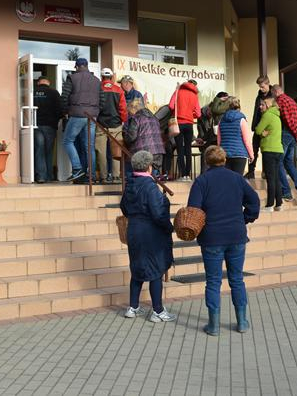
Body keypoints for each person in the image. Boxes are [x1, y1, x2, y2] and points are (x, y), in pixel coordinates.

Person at [187, 146, 260, 335]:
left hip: (211, 237)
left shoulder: (202, 181)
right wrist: (245, 218)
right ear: (225, 160)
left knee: (213, 281)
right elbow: (254, 201)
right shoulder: (237, 178)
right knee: (237, 279)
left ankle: (214, 326)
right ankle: (242, 322)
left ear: (206, 161)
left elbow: (193, 210)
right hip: (236, 235)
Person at [120, 150, 176, 323]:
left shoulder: (130, 183)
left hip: (134, 230)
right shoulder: (150, 186)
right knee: (155, 270)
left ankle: (133, 307)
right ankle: (158, 311)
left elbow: (123, 207)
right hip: (150, 232)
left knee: (137, 268)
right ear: (149, 167)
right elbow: (158, 213)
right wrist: (169, 227)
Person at [60, 58, 100, 182]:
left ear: (77, 67)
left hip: (77, 114)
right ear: (87, 66)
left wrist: (65, 111)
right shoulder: (96, 80)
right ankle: (91, 175)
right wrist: (96, 111)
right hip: (92, 116)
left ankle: (77, 169)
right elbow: (102, 99)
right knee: (90, 146)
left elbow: (64, 97)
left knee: (67, 141)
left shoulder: (72, 78)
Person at [271, 84, 297, 204]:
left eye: (272, 94)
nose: (273, 96)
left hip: (287, 133)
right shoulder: (291, 100)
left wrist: (295, 133)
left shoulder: (281, 101)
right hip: (293, 134)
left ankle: (286, 192)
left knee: (278, 162)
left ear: (275, 92)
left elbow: (288, 120)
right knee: (288, 162)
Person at [96, 68, 127, 183]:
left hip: (100, 124)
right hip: (116, 124)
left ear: (102, 77)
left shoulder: (97, 89)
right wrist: (123, 120)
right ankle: (115, 176)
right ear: (112, 77)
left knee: (101, 152)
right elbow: (123, 108)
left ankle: (103, 177)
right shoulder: (118, 90)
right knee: (116, 151)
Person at [254, 96, 284, 211]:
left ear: (268, 105)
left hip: (269, 150)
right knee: (276, 178)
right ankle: (279, 203)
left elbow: (257, 130)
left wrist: (261, 133)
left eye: (262, 104)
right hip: (278, 150)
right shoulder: (276, 115)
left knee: (270, 178)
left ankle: (269, 205)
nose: (260, 107)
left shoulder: (267, 115)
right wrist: (263, 133)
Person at [169, 79, 201, 181]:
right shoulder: (194, 95)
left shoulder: (178, 91)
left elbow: (171, 106)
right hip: (189, 125)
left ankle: (182, 175)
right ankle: (188, 175)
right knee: (188, 149)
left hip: (179, 124)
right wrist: (190, 115)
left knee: (180, 149)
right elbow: (198, 114)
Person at [123, 98, 164, 176]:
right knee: (153, 177)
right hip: (158, 152)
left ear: (134, 108)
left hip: (143, 153)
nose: (129, 114)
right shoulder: (154, 118)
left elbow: (131, 137)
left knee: (129, 168)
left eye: (129, 111)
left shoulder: (136, 118)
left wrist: (125, 133)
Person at [33, 76, 62, 183]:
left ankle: (41, 176)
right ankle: (49, 176)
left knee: (39, 150)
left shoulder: (32, 92)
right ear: (48, 82)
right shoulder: (54, 92)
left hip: (36, 125)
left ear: (38, 83)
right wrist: (56, 120)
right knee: (48, 151)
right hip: (50, 126)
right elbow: (60, 109)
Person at [196, 92, 230, 175]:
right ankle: (204, 175)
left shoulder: (220, 113)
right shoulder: (203, 114)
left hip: (215, 139)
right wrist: (202, 139)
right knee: (206, 153)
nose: (211, 114)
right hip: (210, 139)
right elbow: (202, 129)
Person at [217, 97, 253, 175]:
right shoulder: (242, 120)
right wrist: (251, 154)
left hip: (225, 153)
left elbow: (219, 141)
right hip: (239, 154)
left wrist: (219, 153)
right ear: (239, 106)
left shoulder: (221, 120)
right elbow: (247, 141)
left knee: (227, 179)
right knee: (237, 178)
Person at [245, 75, 271, 179]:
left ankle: (266, 172)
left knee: (266, 151)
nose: (261, 89)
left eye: (262, 86)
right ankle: (251, 171)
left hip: (267, 127)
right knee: (253, 150)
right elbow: (256, 112)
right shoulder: (259, 95)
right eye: (259, 87)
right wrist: (254, 126)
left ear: (268, 84)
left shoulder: (272, 95)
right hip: (257, 126)